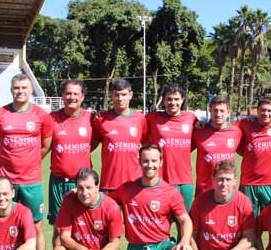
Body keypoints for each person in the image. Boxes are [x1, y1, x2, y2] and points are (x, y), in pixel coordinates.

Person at [0, 74, 53, 250]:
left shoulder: (41, 115)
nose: (20, 91)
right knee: (7, 224)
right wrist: (7, 162)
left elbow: (45, 145)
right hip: (6, 181)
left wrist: (30, 161)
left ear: (31, 90)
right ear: (11, 90)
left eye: (24, 87)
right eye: (16, 87)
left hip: (32, 180)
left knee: (37, 225)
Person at [47, 79, 94, 248]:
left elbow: (93, 143)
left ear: (82, 97)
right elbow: (44, 145)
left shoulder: (91, 118)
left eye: (75, 94)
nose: (71, 97)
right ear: (62, 95)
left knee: (84, 226)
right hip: (59, 182)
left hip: (83, 183)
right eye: (68, 93)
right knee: (59, 229)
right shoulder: (51, 118)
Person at [146, 83, 197, 211]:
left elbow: (198, 140)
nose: (172, 102)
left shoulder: (191, 119)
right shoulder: (153, 118)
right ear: (163, 100)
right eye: (169, 99)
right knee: (161, 222)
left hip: (185, 180)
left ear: (182, 100)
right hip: (161, 180)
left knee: (185, 222)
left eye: (176, 99)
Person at [92, 78, 147, 193]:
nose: (120, 98)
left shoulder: (140, 118)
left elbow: (147, 145)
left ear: (130, 95)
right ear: (112, 95)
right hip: (109, 184)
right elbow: (91, 144)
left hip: (135, 183)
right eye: (117, 95)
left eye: (124, 94)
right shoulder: (101, 119)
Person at [238, 97, 271, 217]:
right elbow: (226, 128)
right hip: (248, 183)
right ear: (257, 111)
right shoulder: (245, 123)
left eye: (269, 111)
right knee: (247, 222)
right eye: (263, 110)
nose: (266, 113)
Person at [192, 95, 241, 197]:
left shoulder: (236, 132)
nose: (218, 114)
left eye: (222, 111)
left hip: (227, 190)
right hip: (204, 190)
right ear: (210, 111)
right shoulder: (199, 131)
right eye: (215, 110)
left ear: (228, 112)